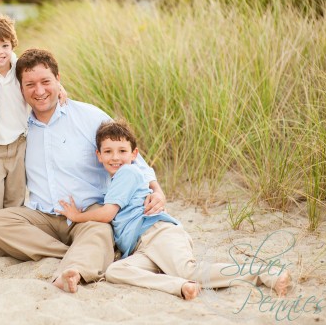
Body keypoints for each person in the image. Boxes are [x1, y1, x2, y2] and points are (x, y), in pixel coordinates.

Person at [0, 48, 166, 293]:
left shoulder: (88, 116)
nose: (39, 91)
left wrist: (156, 189)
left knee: (100, 230)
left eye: (46, 82)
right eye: (30, 84)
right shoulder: (18, 125)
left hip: (88, 211)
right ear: (21, 88)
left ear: (58, 80)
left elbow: (128, 155)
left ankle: (77, 268)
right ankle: (74, 253)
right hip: (44, 217)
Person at [57, 119, 292, 300]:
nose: (115, 157)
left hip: (158, 233)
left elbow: (108, 213)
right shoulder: (115, 181)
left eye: (122, 151)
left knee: (190, 270)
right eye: (108, 151)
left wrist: (77, 216)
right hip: (143, 248)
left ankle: (265, 273)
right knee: (116, 272)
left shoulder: (128, 172)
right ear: (98, 155)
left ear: (134, 155)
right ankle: (178, 287)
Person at [0, 16, 67, 251]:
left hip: (20, 141)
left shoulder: (18, 67)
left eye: (4, 45)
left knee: (15, 194)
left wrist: (61, 87)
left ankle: (9, 237)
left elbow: (39, 79)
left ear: (12, 45)